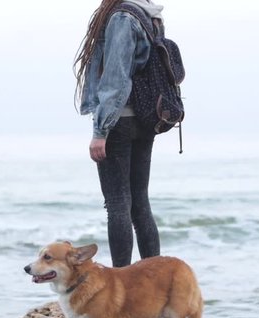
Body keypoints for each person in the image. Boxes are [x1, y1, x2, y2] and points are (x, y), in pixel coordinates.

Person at [74, 0, 164, 267]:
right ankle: (155, 280)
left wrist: (100, 130)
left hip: (119, 120)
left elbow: (116, 78)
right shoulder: (150, 14)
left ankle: (122, 281)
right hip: (145, 118)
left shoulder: (122, 17)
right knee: (139, 204)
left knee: (118, 204)